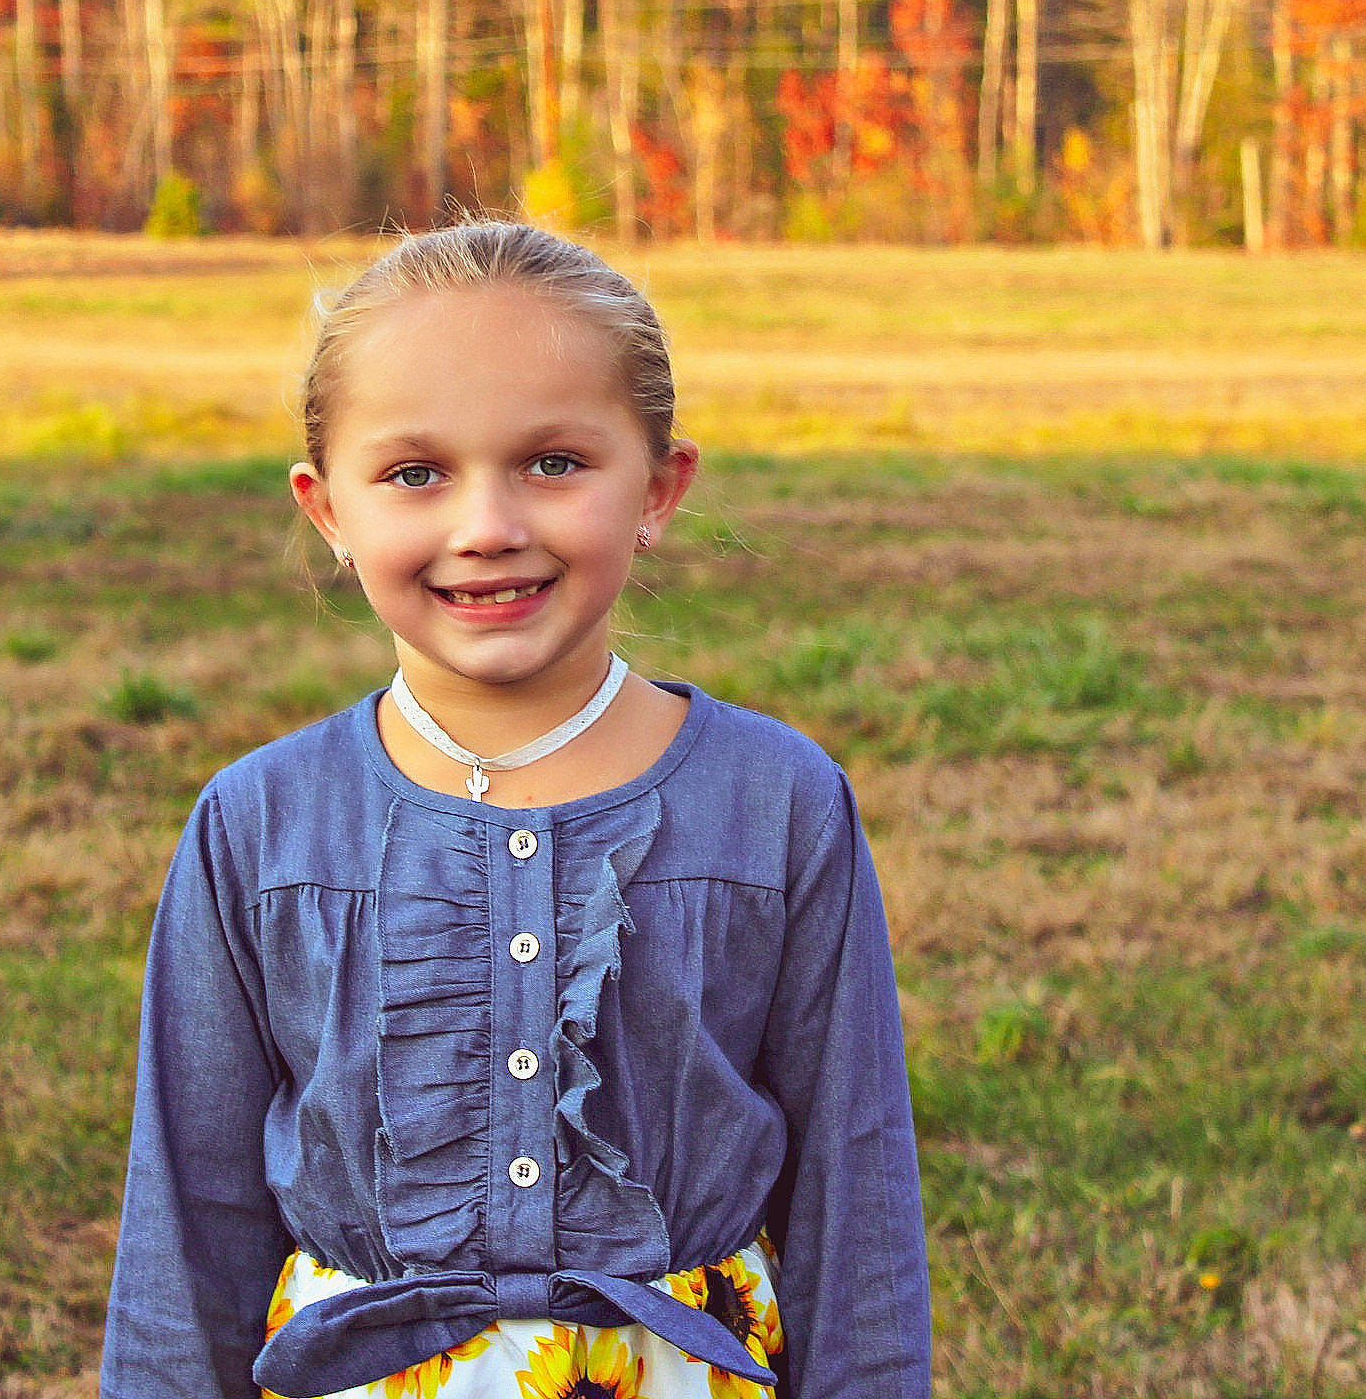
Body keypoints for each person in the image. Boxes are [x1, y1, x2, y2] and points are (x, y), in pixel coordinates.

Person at [101, 221, 931, 1399]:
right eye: (413, 473)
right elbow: (188, 1224)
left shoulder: (778, 803)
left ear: (657, 487)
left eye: (550, 462)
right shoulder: (258, 824)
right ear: (327, 511)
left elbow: (858, 1205)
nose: (484, 526)